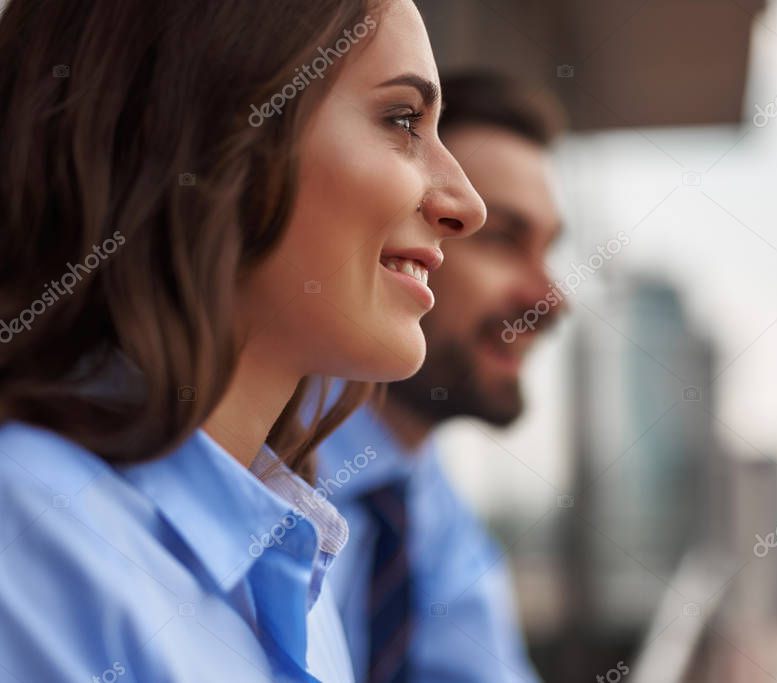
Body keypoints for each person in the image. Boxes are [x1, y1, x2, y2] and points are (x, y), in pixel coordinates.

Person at [0, 1, 485, 682]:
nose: (465, 203)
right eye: (402, 119)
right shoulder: (29, 540)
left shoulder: (293, 573)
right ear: (204, 127)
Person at [317, 71, 566, 683]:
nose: (551, 298)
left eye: (549, 248)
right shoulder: (239, 465)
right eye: (505, 240)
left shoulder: (431, 513)